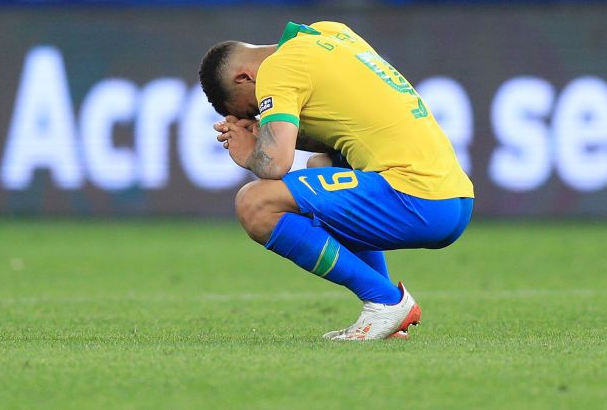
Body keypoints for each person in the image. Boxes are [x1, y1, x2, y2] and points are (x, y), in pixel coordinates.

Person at [200, 20, 474, 340]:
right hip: (455, 197)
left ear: (244, 77)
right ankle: (387, 317)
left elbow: (275, 164)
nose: (259, 113)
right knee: (324, 163)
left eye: (254, 108)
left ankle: (385, 302)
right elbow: (340, 131)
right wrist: (266, 134)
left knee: (254, 204)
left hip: (417, 198)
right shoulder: (331, 33)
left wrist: (250, 154)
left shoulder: (277, 68)